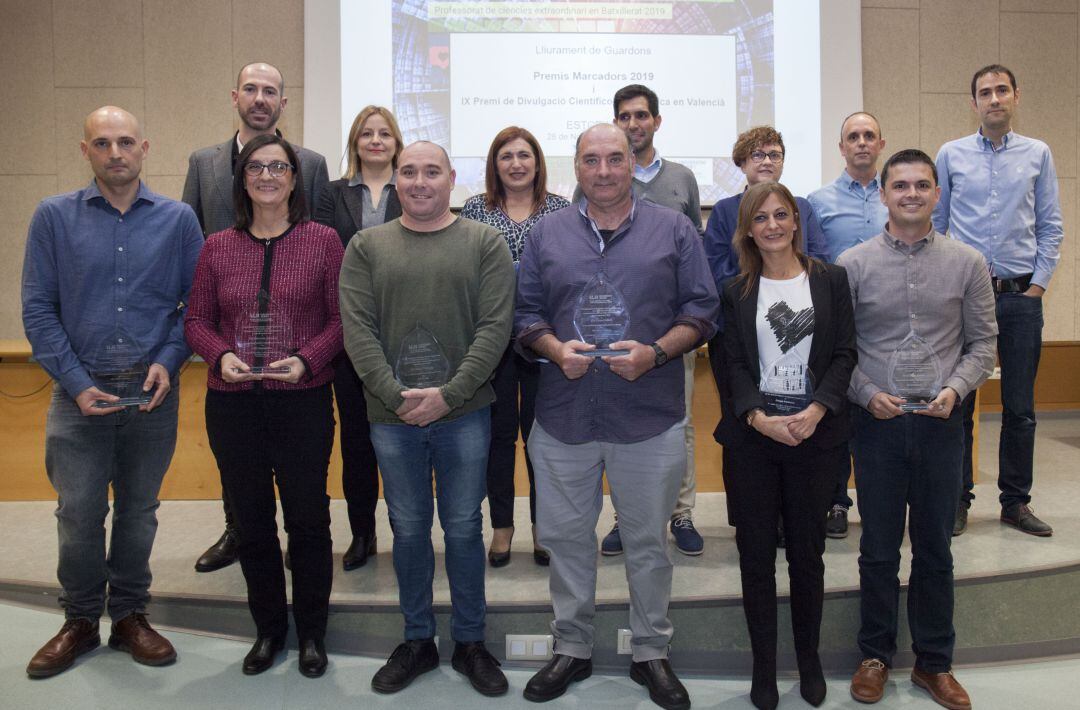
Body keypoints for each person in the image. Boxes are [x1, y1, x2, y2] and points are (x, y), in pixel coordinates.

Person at [516, 124, 718, 710]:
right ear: (574, 168)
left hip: (648, 415)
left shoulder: (675, 229)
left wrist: (655, 353)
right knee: (568, 541)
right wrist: (554, 350)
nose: (603, 170)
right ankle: (572, 647)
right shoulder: (546, 233)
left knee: (648, 544)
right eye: (590, 160)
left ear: (633, 164)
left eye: (614, 159)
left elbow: (702, 310)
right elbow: (524, 311)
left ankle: (651, 652)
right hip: (564, 414)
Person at [21, 106, 202, 677]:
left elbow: (195, 306)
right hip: (79, 394)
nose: (115, 153)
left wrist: (170, 361)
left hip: (151, 395)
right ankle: (78, 621)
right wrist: (75, 384)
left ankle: (128, 617)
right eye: (103, 143)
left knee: (139, 512)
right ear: (85, 151)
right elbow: (38, 309)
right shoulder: (53, 217)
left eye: (126, 142)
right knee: (77, 513)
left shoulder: (178, 220)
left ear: (145, 149)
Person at [339, 141, 514, 697]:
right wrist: (396, 395)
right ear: (395, 179)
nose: (419, 181)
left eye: (431, 172)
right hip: (391, 417)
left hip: (465, 414)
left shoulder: (484, 242)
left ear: (451, 179)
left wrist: (450, 394)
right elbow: (357, 331)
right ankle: (417, 640)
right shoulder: (366, 246)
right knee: (409, 529)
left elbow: (495, 327)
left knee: (464, 528)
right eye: (409, 172)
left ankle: (469, 642)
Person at [838, 149, 996, 710]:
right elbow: (840, 349)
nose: (910, 194)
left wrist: (955, 390)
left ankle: (934, 663)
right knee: (878, 547)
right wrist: (865, 393)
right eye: (899, 185)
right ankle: (875, 656)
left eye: (921, 185)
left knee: (934, 548)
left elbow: (983, 343)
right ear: (882, 194)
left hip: (940, 425)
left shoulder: (968, 262)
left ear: (935, 193)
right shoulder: (852, 264)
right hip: (876, 425)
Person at [184, 133, 344, 678]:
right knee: (252, 521)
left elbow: (342, 321)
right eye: (257, 167)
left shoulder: (324, 241)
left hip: (301, 402)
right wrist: (219, 353)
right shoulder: (216, 246)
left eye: (279, 166)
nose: (268, 175)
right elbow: (196, 321)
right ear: (242, 179)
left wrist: (307, 359)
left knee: (307, 520)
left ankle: (313, 634)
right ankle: (269, 630)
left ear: (295, 179)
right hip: (233, 405)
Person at [183, 61, 331, 573]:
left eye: (271, 90)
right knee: (246, 496)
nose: (260, 98)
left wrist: (308, 356)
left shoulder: (311, 163)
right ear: (235, 96)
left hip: (296, 367)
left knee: (305, 508)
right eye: (251, 89)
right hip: (232, 356)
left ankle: (295, 550)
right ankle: (236, 531)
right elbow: (190, 244)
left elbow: (325, 263)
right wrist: (215, 349)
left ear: (283, 102)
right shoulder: (203, 163)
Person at [717, 182, 856, 709]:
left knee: (807, 555)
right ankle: (764, 669)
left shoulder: (831, 280)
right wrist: (757, 417)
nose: (772, 225)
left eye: (781, 215)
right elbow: (730, 364)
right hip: (754, 443)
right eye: (761, 218)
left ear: (796, 220)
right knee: (755, 559)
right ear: (748, 229)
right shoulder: (735, 291)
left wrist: (817, 409)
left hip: (814, 438)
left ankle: (810, 660)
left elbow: (845, 352)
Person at [933, 64, 1063, 538]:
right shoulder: (951, 154)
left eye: (1001, 90)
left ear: (1015, 96)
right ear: (973, 102)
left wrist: (1037, 286)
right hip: (966, 298)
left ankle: (1015, 502)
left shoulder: (1038, 154)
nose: (994, 99)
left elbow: (1051, 225)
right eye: (985, 92)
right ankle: (957, 499)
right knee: (959, 403)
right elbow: (938, 224)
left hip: (1019, 297)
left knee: (1020, 407)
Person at [596, 84, 708, 557]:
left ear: (657, 122)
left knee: (679, 423)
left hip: (670, 332)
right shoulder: (600, 179)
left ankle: (681, 513)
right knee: (621, 424)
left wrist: (690, 329)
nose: (633, 123)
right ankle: (627, 517)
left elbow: (696, 255)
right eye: (624, 116)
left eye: (642, 115)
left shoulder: (682, 178)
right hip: (614, 330)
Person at [704, 126, 828, 544]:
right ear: (741, 163)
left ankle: (800, 512)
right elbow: (714, 270)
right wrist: (759, 278)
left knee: (799, 416)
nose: (766, 161)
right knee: (743, 426)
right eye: (755, 154)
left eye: (773, 153)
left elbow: (821, 261)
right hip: (739, 334)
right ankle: (751, 516)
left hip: (800, 333)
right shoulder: (723, 211)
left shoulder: (804, 208)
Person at [461, 126, 569, 568]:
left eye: (525, 155)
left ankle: (546, 528)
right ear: (494, 165)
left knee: (543, 439)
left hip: (547, 340)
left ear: (538, 163)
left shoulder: (563, 211)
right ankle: (502, 527)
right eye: (506, 156)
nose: (516, 164)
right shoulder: (474, 210)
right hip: (492, 340)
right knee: (499, 437)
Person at [313, 105, 404, 570]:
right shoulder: (331, 194)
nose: (375, 141)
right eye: (366, 133)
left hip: (403, 329)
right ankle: (363, 533)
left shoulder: (411, 187)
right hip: (350, 331)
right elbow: (329, 255)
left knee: (405, 438)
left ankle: (408, 533)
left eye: (384, 133)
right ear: (355, 141)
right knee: (356, 440)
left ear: (395, 141)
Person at [807, 112, 889, 539]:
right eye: (852, 137)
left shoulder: (894, 196)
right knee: (836, 412)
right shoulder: (817, 202)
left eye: (868, 136)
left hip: (885, 323)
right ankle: (837, 501)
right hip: (837, 323)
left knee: (877, 413)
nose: (861, 143)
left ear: (880, 144)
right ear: (841, 148)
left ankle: (883, 497)